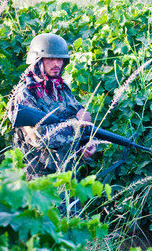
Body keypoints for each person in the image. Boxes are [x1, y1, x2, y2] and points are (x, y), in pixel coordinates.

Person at [9, 33, 96, 180]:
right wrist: (76, 125)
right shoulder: (25, 94)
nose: (56, 64)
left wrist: (87, 142)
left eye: (60, 59)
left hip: (66, 175)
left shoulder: (62, 89)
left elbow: (80, 119)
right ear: (38, 61)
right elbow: (39, 137)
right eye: (50, 58)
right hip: (37, 179)